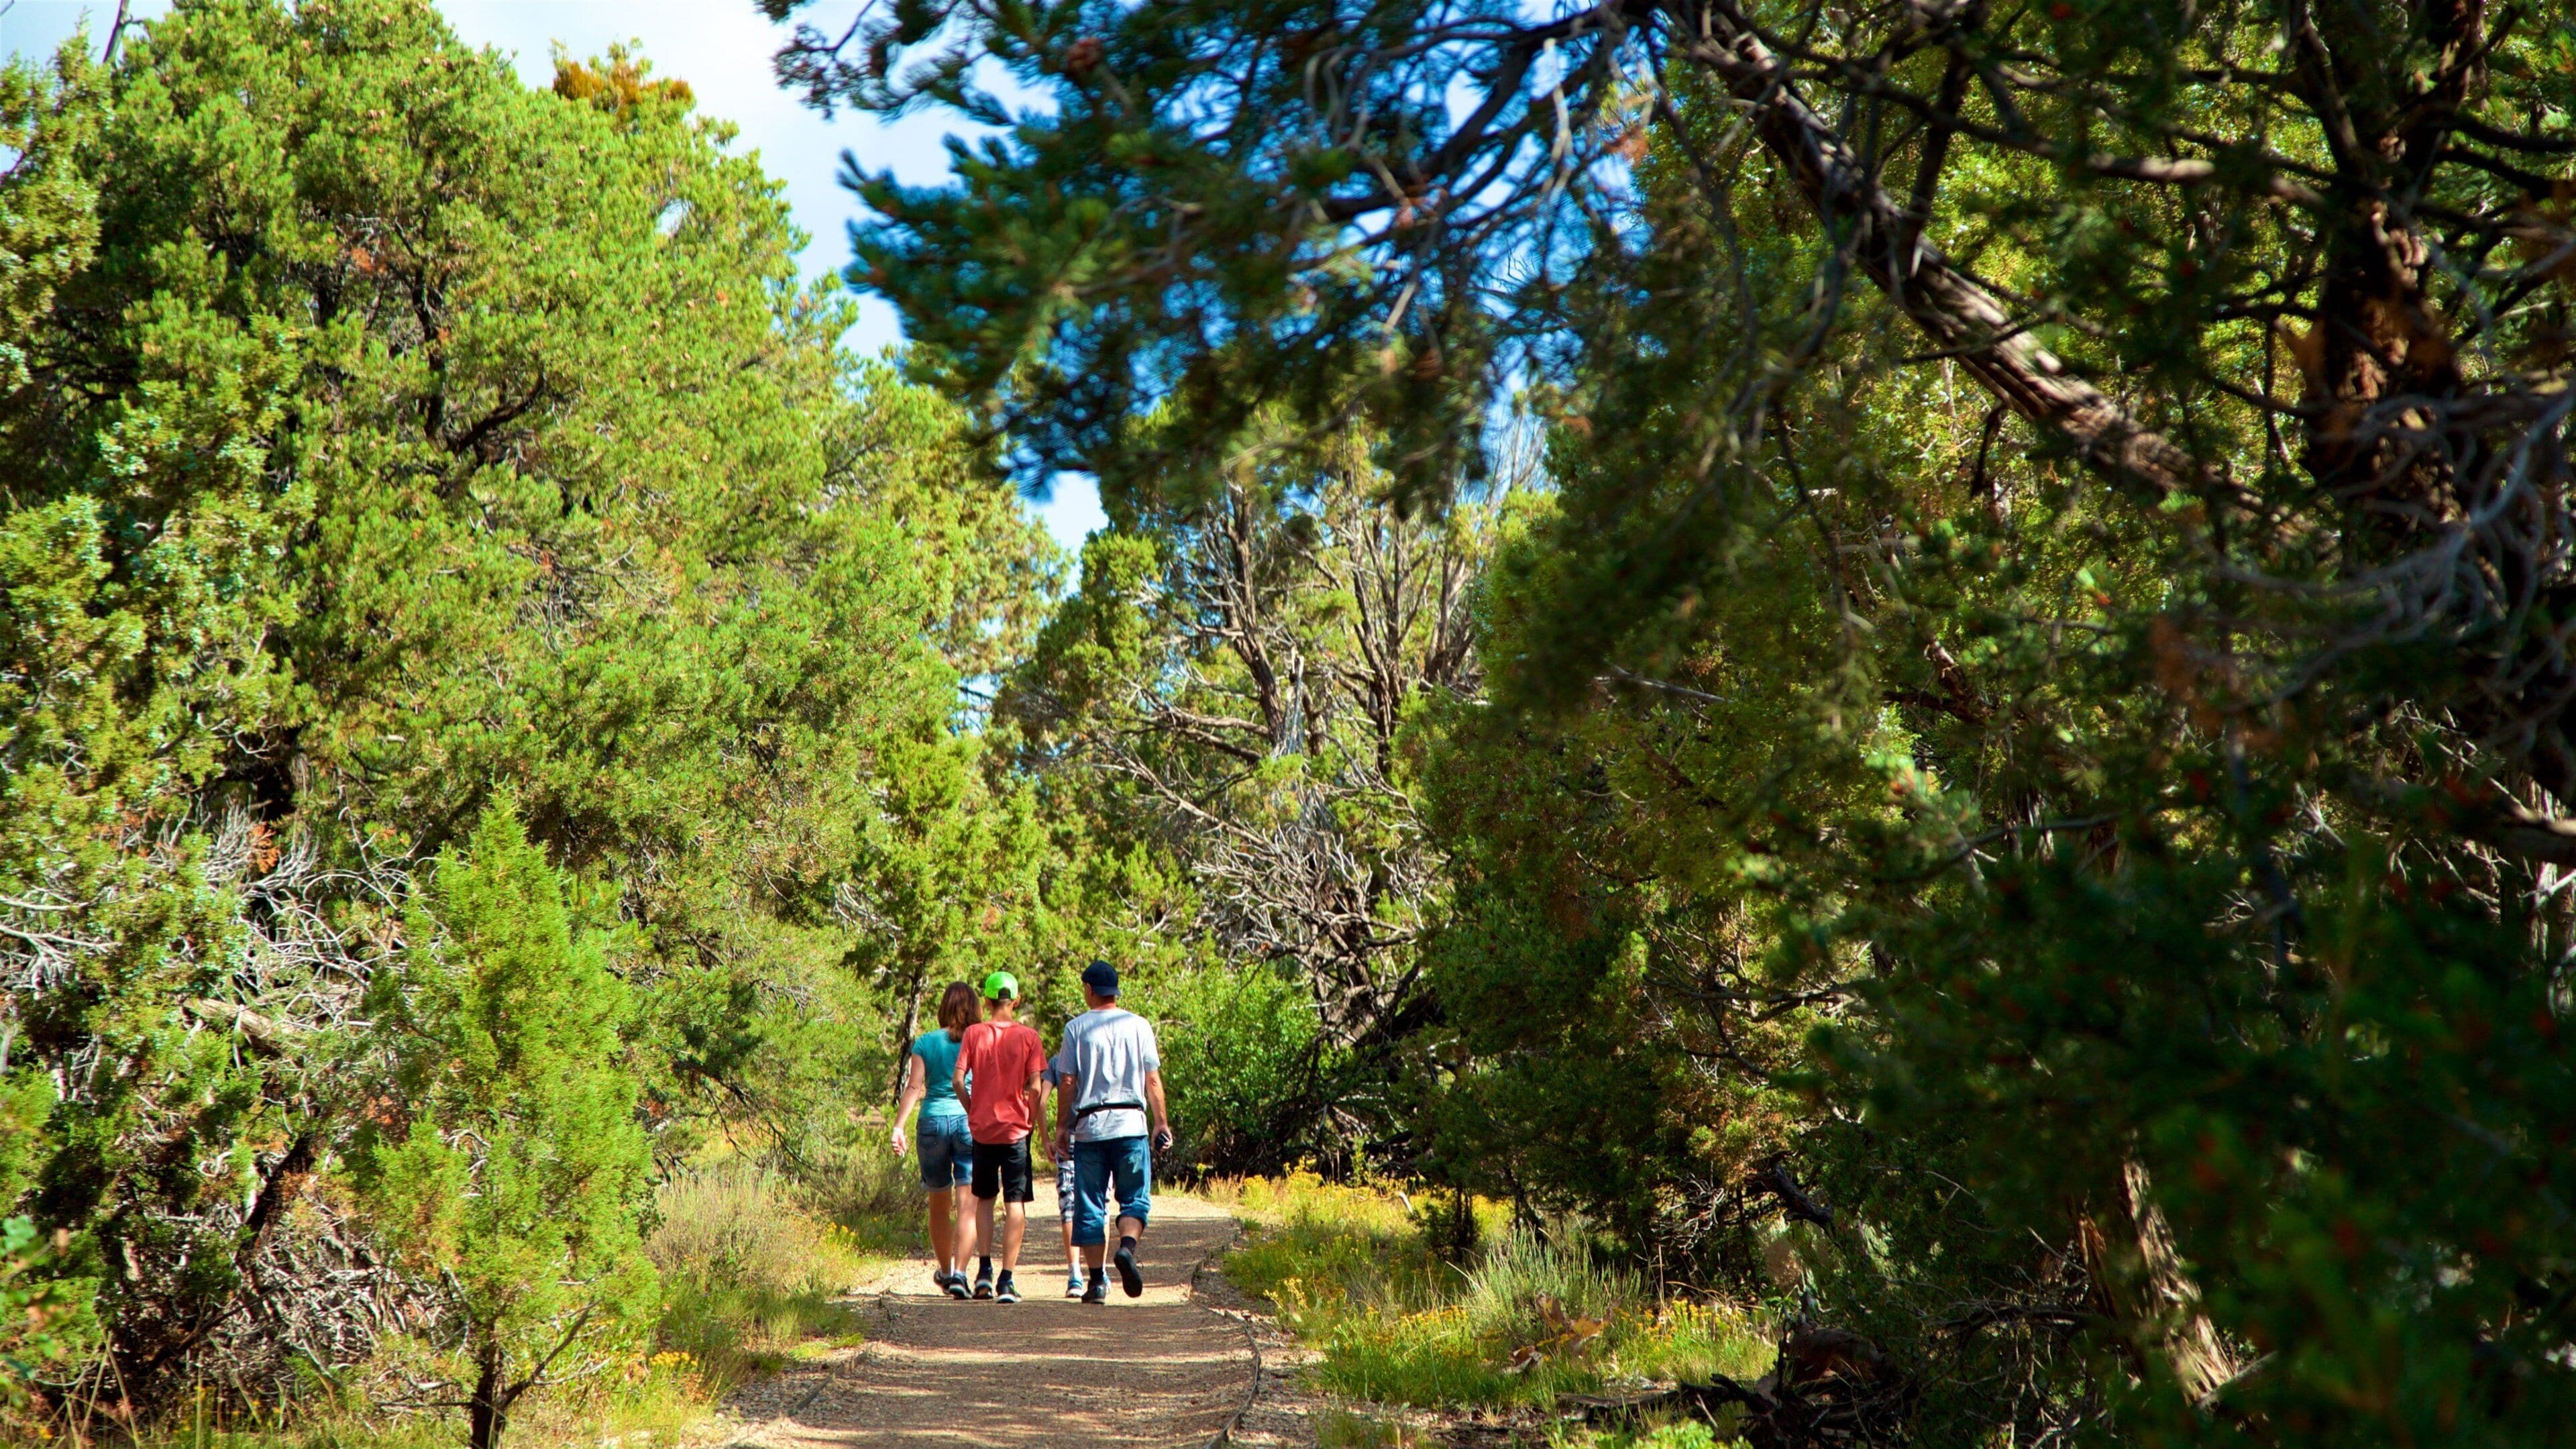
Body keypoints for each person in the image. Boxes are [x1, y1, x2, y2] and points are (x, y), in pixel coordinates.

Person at [1051, 959, 1172, 1303]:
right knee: (1134, 1197)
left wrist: (1063, 1126)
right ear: (1115, 992)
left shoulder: (1076, 1028)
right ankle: (1128, 1249)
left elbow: (1068, 1081)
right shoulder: (1140, 1026)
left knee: (1090, 1204)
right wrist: (1160, 1123)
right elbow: (1152, 1079)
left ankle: (1096, 1282)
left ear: (1090, 990)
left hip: (1090, 1129)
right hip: (1132, 1124)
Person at [952, 969, 1050, 1303]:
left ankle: (983, 1274)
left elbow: (957, 1080)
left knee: (984, 1200)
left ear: (989, 1001)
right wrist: (1031, 1117)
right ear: (1016, 1000)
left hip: (983, 1130)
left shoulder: (974, 1034)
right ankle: (1007, 1280)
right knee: (1015, 1203)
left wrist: (972, 1109)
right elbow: (1036, 1085)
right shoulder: (1029, 1037)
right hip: (1015, 1132)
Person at [889, 981, 979, 1298]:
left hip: (931, 1124)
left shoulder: (926, 1042)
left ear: (943, 1007)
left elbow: (914, 1087)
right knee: (967, 1205)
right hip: (969, 1122)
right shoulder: (978, 1040)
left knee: (938, 1205)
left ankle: (944, 1270)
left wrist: (898, 1126)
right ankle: (961, 1274)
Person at [1048, 1065, 1085, 1297]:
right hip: (1097, 1132)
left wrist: (1046, 1135)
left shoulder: (1057, 1062)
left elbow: (1040, 1098)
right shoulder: (1099, 1049)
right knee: (1100, 1201)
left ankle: (1075, 1273)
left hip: (1068, 1137)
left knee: (1068, 1204)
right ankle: (1099, 1272)